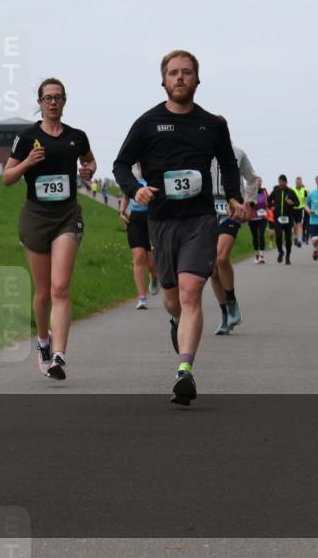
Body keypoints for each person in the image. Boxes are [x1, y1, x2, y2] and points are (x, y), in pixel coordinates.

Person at [113, 50, 244, 405]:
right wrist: (134, 189)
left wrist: (233, 196)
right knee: (173, 299)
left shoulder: (212, 124)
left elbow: (229, 165)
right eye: (173, 73)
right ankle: (177, 323)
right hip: (161, 220)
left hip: (200, 220)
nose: (180, 78)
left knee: (190, 293)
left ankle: (184, 371)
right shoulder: (147, 123)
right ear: (164, 81)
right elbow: (121, 164)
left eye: (187, 72)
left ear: (197, 80)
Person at [3, 78, 96, 381]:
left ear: (64, 101)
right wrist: (28, 162)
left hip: (67, 215)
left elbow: (89, 161)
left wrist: (88, 170)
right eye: (47, 98)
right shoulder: (27, 137)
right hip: (35, 217)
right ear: (40, 102)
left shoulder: (76, 136)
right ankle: (43, 341)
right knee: (43, 292)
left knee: (60, 287)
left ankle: (59, 354)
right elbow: (7, 178)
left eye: (57, 97)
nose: (53, 102)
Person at [209, 141, 258, 335]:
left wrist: (247, 203)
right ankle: (224, 314)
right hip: (208, 211)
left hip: (232, 209)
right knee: (212, 270)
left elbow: (252, 178)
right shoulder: (201, 152)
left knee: (222, 258)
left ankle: (232, 301)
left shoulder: (238, 153)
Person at [119, 164, 160, 309]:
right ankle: (142, 297)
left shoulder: (154, 175)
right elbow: (126, 195)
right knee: (138, 256)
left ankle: (154, 276)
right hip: (135, 219)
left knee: (151, 261)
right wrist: (122, 212)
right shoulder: (132, 178)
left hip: (152, 219)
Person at [268, 174, 300, 264]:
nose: (280, 184)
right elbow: (268, 200)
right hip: (277, 218)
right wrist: (271, 207)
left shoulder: (291, 192)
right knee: (278, 237)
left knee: (288, 238)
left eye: (282, 182)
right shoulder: (276, 191)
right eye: (279, 182)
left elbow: (297, 203)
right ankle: (281, 252)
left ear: (286, 182)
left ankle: (288, 256)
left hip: (288, 218)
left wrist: (292, 203)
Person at [248, 177, 270, 264]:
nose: (259, 183)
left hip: (262, 217)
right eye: (257, 181)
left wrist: (267, 210)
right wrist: (252, 203)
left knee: (261, 235)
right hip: (252, 217)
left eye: (260, 181)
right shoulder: (250, 192)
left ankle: (261, 256)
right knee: (255, 237)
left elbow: (268, 203)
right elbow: (247, 203)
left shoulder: (264, 192)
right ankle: (256, 255)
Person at [293, 176, 309, 247]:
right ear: (295, 182)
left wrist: (306, 207)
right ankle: (295, 237)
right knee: (294, 226)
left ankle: (299, 240)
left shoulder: (305, 190)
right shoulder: (292, 189)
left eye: (300, 182)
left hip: (301, 209)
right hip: (293, 209)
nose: (298, 183)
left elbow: (306, 200)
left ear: (301, 182)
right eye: (297, 182)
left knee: (299, 224)